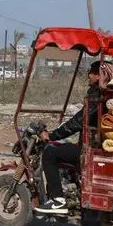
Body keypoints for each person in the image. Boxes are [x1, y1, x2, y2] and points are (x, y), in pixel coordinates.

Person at [34, 60, 103, 215]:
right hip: (94, 146)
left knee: (50, 152)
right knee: (62, 147)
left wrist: (51, 135)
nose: (89, 76)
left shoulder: (97, 95)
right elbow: (78, 120)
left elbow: (78, 122)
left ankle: (58, 200)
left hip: (90, 150)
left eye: (91, 73)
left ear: (98, 76)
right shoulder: (102, 93)